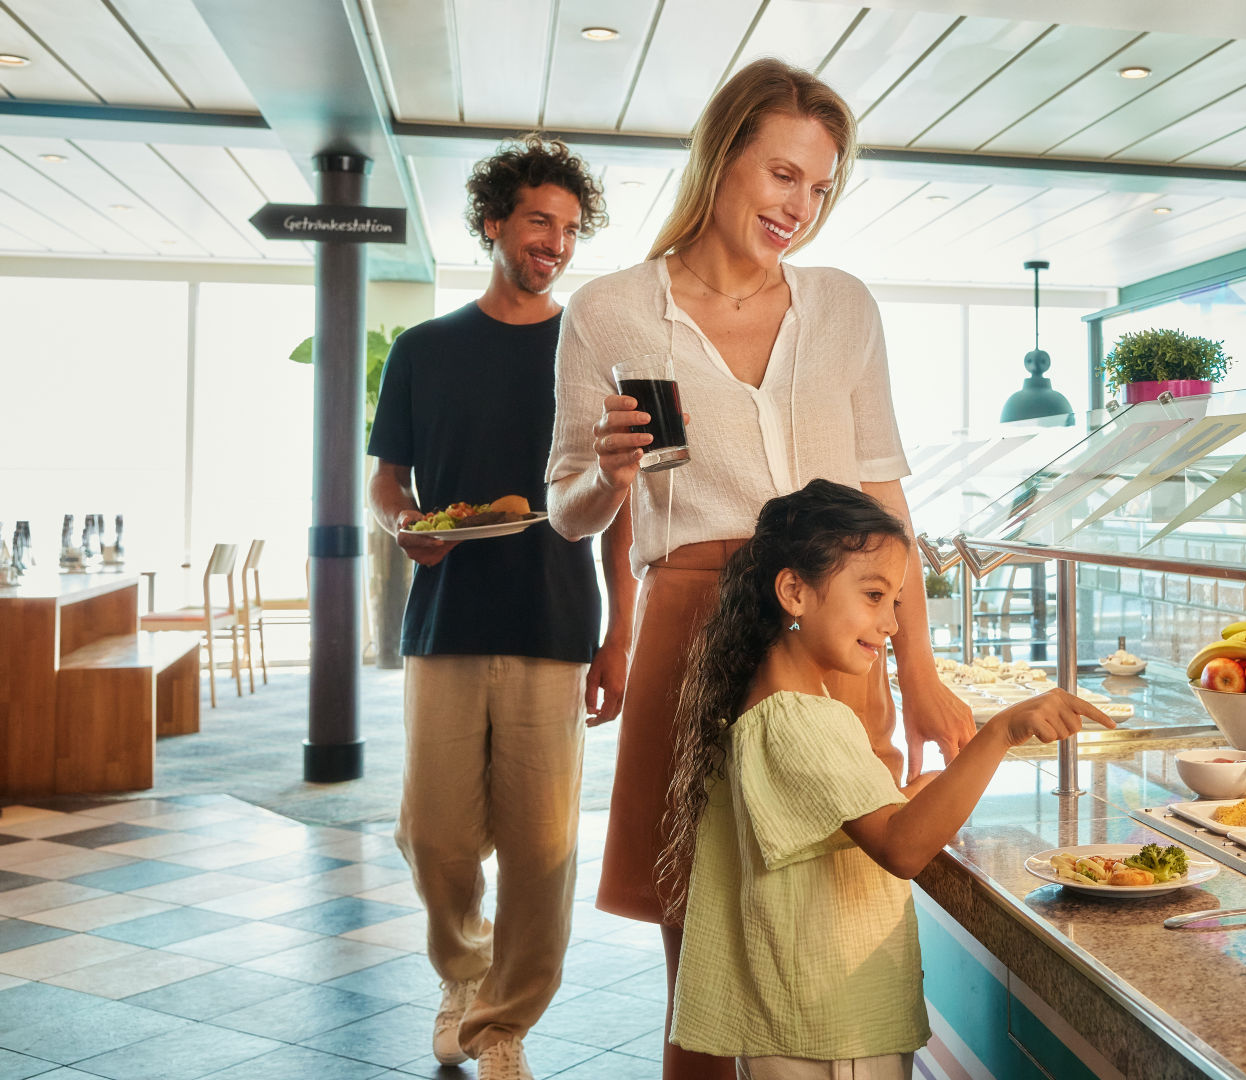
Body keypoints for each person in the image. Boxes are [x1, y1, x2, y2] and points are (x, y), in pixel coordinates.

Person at [545, 59, 974, 1080]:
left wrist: (917, 669)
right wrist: (607, 477)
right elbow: (566, 509)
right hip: (693, 625)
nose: (801, 208)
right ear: (722, 154)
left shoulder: (843, 307)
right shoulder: (610, 313)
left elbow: (887, 503)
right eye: (784, 176)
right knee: (699, 935)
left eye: (821, 188)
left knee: (835, 908)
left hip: (833, 633)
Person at [658, 480, 1110, 1079]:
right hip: (831, 1032)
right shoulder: (800, 719)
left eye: (895, 601)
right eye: (873, 595)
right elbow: (902, 845)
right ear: (794, 591)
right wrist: (1001, 731)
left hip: (802, 1025)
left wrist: (935, 784)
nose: (891, 624)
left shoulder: (776, 699)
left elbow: (859, 816)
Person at [368, 134, 634, 1080]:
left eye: (567, 229)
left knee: (542, 848)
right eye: (536, 221)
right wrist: (405, 525)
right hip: (443, 621)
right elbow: (387, 482)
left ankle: (504, 1023)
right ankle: (462, 974)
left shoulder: (593, 356)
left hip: (555, 624)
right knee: (434, 832)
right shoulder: (423, 350)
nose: (553, 242)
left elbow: (621, 512)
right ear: (493, 223)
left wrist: (619, 640)